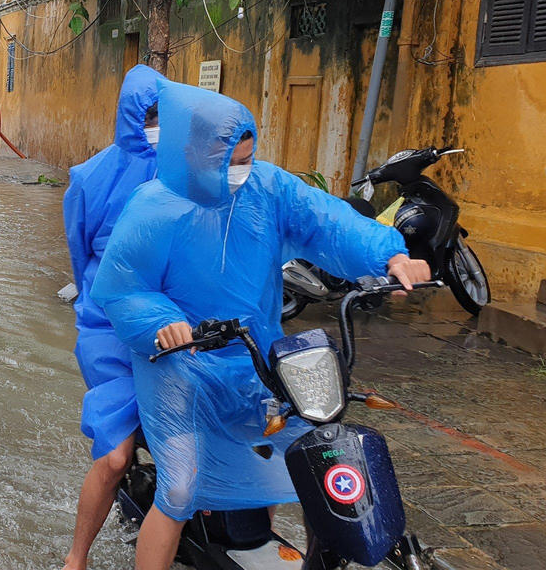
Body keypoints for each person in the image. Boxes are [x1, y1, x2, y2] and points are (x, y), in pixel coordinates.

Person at [90, 84, 429, 570]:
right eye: (230, 160)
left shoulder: (267, 189)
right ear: (194, 151)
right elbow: (122, 289)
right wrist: (164, 323)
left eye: (246, 157)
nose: (240, 170)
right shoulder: (153, 208)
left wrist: (391, 254)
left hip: (259, 358)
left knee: (311, 457)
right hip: (180, 367)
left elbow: (327, 221)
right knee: (181, 485)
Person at [61, 65, 192, 570]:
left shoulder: (185, 171)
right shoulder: (91, 177)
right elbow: (80, 256)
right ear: (130, 115)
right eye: (150, 114)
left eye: (165, 114)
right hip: (108, 330)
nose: (157, 124)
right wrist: (101, 306)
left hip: (175, 325)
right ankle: (77, 557)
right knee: (114, 457)